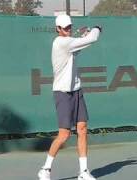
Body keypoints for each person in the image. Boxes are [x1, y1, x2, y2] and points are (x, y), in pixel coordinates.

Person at [38, 14, 102, 180]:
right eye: (64, 27)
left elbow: (79, 47)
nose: (68, 29)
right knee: (64, 135)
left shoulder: (69, 43)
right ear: (57, 29)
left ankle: (83, 172)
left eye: (69, 26)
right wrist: (96, 29)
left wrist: (83, 37)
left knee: (82, 129)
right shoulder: (61, 42)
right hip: (63, 93)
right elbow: (93, 39)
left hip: (77, 90)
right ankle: (45, 169)